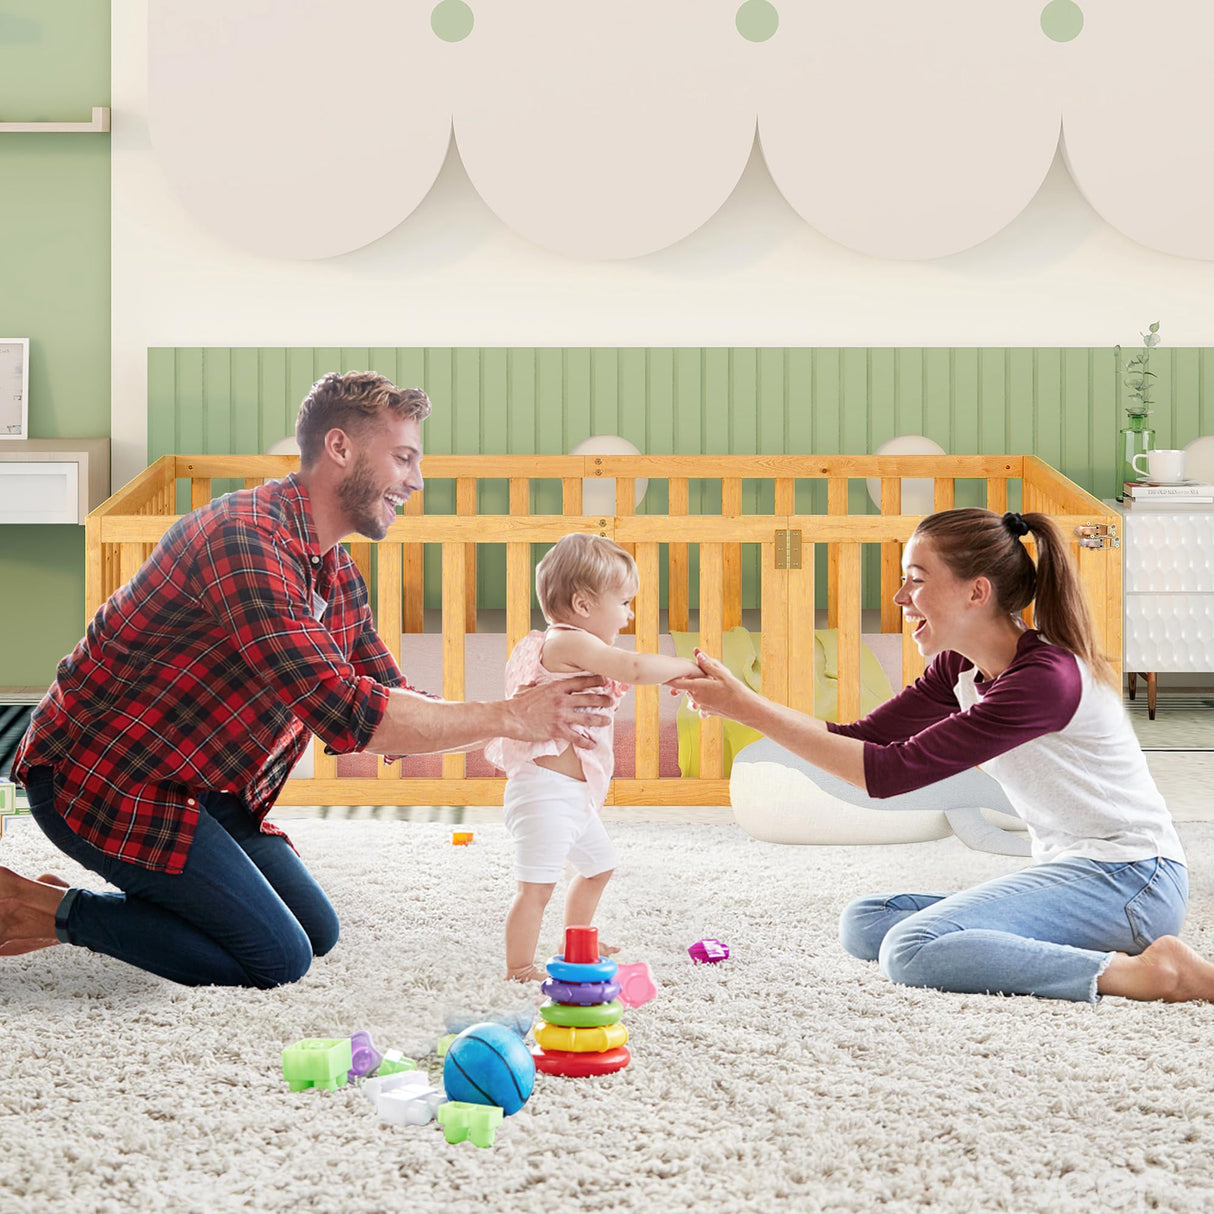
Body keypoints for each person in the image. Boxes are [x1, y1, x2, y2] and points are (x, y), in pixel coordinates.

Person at [0, 371, 612, 987]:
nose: (416, 481)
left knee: (317, 932)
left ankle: (148, 904)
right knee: (275, 958)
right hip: (105, 778)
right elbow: (351, 715)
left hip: (203, 783)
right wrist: (511, 717)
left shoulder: (334, 570)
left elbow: (390, 703)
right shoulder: (244, 540)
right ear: (340, 448)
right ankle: (51, 911)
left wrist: (519, 717)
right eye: (403, 458)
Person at [671, 507, 1214, 1004]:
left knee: (909, 948)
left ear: (976, 592)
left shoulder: (1043, 680)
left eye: (916, 579)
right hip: (1076, 873)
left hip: (1131, 881)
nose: (899, 597)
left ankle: (1153, 975)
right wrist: (741, 701)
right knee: (866, 923)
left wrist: (747, 709)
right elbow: (864, 738)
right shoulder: (961, 668)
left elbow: (887, 773)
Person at [484, 533, 701, 982]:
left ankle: (575, 938)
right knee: (536, 890)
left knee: (599, 868)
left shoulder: (573, 646)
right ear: (583, 605)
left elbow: (629, 670)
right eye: (624, 602)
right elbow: (635, 668)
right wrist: (686, 668)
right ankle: (518, 967)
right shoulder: (566, 642)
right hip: (544, 795)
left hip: (573, 797)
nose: (631, 613)